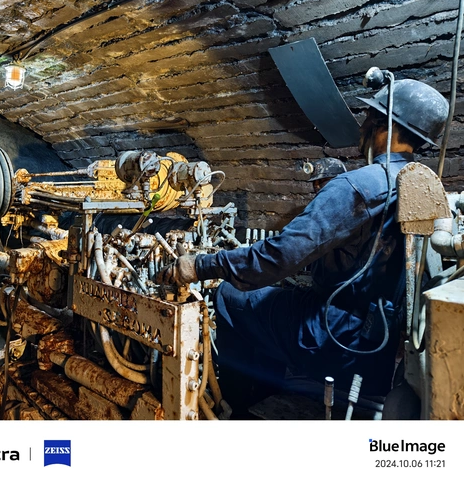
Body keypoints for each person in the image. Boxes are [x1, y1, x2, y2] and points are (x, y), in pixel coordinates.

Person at [156, 78, 449, 416]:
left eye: (368, 117)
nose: (362, 126)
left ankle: (238, 406)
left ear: (383, 125)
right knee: (274, 300)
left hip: (335, 336)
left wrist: (200, 265)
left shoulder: (358, 185)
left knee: (229, 296)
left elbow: (280, 255)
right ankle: (268, 391)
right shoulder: (422, 184)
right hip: (379, 343)